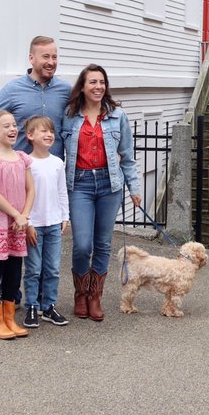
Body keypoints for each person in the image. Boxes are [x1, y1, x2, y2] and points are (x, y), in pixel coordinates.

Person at [62, 64, 142, 322]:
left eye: (101, 82)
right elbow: (55, 152)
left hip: (110, 185)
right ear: (82, 87)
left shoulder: (118, 116)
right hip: (80, 185)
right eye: (92, 82)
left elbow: (127, 157)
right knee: (83, 244)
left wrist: (134, 189)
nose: (98, 87)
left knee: (103, 244)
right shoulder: (69, 115)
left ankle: (95, 296)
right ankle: (80, 293)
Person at [0, 109, 35, 340]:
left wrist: (24, 216)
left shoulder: (23, 158)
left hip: (18, 223)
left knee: (14, 269)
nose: (13, 129)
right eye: (6, 126)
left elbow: (30, 189)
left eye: (14, 125)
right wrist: (16, 215)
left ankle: (10, 317)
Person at [21, 116, 70, 329]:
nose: (49, 135)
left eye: (51, 131)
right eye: (43, 131)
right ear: (30, 136)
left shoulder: (58, 162)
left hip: (53, 222)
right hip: (34, 224)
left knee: (52, 268)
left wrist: (65, 217)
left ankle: (48, 305)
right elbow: (22, 195)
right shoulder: (25, 163)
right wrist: (28, 222)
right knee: (33, 268)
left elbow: (62, 192)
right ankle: (31, 305)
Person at [0, 36, 71, 157]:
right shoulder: (12, 90)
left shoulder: (66, 90)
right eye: (46, 56)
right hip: (20, 168)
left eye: (54, 57)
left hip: (53, 169)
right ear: (31, 58)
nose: (51, 62)